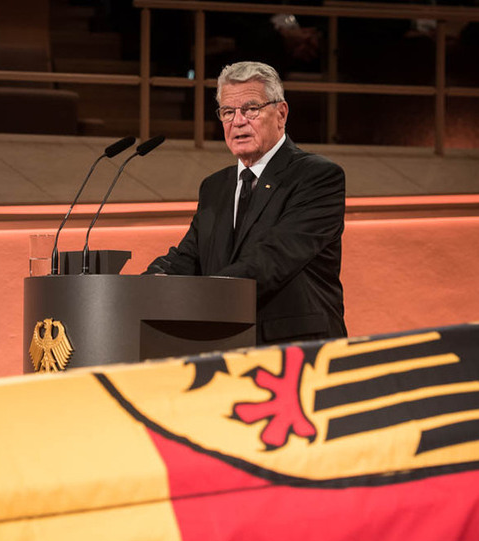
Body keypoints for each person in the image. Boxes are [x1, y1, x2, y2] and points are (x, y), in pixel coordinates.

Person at [146, 61, 347, 345]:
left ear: (281, 113)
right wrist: (148, 284)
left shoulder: (317, 177)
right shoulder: (215, 187)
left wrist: (203, 293)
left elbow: (272, 260)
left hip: (295, 350)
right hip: (226, 346)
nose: (238, 121)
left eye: (251, 109)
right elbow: (189, 256)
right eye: (228, 112)